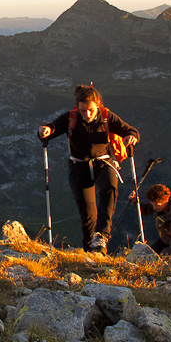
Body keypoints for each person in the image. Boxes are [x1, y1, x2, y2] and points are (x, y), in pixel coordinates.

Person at [37, 84, 139, 254]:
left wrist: (131, 136)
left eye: (90, 110)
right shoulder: (71, 117)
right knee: (88, 215)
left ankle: (102, 236)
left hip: (103, 163)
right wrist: (45, 130)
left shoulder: (107, 117)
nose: (87, 114)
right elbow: (53, 128)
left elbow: (129, 129)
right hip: (79, 167)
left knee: (110, 188)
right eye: (83, 110)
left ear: (98, 104)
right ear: (78, 107)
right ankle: (90, 252)